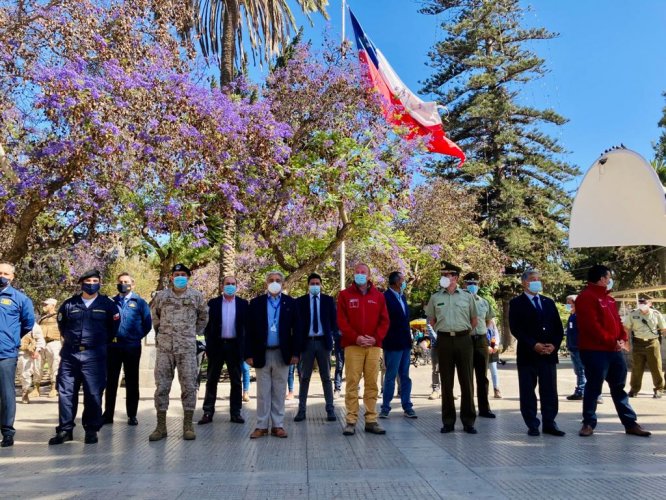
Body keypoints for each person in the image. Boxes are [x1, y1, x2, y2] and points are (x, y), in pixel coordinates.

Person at [576, 264, 651, 437]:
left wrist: (622, 338)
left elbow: (617, 321)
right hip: (595, 351)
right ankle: (588, 423)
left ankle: (630, 423)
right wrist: (612, 341)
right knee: (594, 387)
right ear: (602, 279)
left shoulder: (609, 299)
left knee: (619, 387)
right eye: (608, 277)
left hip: (614, 351)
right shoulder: (586, 297)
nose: (610, 281)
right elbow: (591, 326)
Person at [49, 269, 120, 445]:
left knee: (93, 393)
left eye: (95, 280)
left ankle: (91, 429)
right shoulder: (69, 304)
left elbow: (114, 328)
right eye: (88, 281)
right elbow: (62, 326)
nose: (91, 284)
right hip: (70, 355)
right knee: (65, 392)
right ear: (81, 283)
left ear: (100, 282)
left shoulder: (107, 304)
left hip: (95, 355)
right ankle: (65, 430)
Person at [149, 263, 209, 442]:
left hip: (187, 349)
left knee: (189, 386)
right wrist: (162, 334)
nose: (180, 277)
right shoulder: (162, 296)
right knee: (162, 387)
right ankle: (161, 427)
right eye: (177, 274)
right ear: (171, 277)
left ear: (188, 277)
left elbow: (204, 317)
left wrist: (192, 333)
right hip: (165, 348)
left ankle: (188, 425)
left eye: (183, 274)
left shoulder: (196, 296)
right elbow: (155, 316)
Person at [508, 269, 564, 437]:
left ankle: (549, 423)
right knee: (527, 391)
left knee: (549, 391)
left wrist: (554, 345)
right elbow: (516, 328)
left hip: (548, 354)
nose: (537, 282)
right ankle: (532, 424)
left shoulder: (548, 302)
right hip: (528, 354)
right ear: (524, 282)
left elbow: (558, 328)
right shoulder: (516, 303)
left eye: (538, 279)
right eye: (533, 279)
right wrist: (534, 345)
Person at [245, 271, 300, 439]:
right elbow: (248, 331)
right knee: (263, 392)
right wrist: (248, 354)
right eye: (271, 280)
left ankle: (278, 425)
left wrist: (296, 353)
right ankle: (261, 426)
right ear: (266, 284)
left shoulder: (291, 303)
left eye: (277, 280)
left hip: (282, 353)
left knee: (279, 390)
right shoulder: (255, 303)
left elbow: (297, 330)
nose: (274, 282)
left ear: (283, 284)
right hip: (262, 353)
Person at [425, 261, 478, 434]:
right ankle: (448, 421)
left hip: (464, 339)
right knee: (446, 382)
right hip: (444, 340)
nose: (444, 278)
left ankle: (468, 421)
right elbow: (431, 320)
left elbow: (474, 320)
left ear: (455, 277)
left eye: (447, 275)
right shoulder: (435, 297)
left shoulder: (467, 296)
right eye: (443, 275)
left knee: (467, 381)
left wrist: (464, 331)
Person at [338, 263, 389, 436]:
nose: (360, 274)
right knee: (352, 383)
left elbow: (385, 321)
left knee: (372, 383)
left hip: (374, 346)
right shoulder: (344, 295)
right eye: (357, 272)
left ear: (368, 276)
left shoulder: (379, 296)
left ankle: (371, 420)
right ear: (353, 274)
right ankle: (351, 420)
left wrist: (375, 338)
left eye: (363, 272)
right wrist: (356, 337)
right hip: (353, 346)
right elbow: (342, 321)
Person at [103, 272, 152, 426]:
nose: (123, 284)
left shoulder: (140, 302)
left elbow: (147, 324)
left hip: (131, 346)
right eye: (121, 281)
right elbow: (105, 323)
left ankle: (132, 415)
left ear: (133, 284)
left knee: (132, 381)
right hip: (113, 346)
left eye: (126, 281)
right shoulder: (111, 302)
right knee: (110, 381)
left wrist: (135, 337)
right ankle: (108, 414)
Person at [199, 275, 248, 425]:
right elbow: (207, 326)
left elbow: (246, 327)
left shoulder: (243, 304)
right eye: (227, 283)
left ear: (237, 286)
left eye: (233, 284)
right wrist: (208, 344)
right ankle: (208, 412)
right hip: (217, 346)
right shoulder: (213, 303)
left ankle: (236, 413)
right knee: (212, 380)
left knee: (236, 381)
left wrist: (244, 347)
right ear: (222, 286)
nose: (230, 286)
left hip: (235, 346)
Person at [0, 262, 35, 448]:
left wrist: (12, 337)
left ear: (12, 277)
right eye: (0, 272)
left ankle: (7, 432)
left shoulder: (20, 299)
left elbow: (28, 323)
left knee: (6, 394)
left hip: (5, 353)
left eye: (6, 273)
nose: (2, 275)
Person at [294, 273, 338, 422]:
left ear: (321, 284)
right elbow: (296, 325)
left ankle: (330, 410)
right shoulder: (300, 302)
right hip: (306, 343)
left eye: (317, 283)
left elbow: (334, 322)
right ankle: (301, 410)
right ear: (308, 285)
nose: (314, 285)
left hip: (323, 343)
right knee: (304, 377)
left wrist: (333, 338)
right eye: (312, 283)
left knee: (326, 377)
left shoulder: (328, 300)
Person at [379, 271, 416, 419]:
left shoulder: (403, 297)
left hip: (405, 343)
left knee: (405, 376)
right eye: (402, 280)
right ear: (396, 282)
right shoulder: (385, 298)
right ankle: (385, 407)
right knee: (390, 376)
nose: (404, 282)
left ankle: (407, 406)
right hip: (392, 344)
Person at [462, 272, 496, 419]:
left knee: (482, 376)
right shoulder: (460, 301)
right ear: (464, 285)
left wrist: (483, 333)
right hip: (466, 339)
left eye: (475, 283)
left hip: (481, 340)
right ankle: (469, 409)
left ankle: (484, 408)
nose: (472, 286)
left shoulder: (483, 302)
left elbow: (489, 320)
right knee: (467, 376)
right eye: (469, 283)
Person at [624, 297, 665, 398]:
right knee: (637, 367)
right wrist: (626, 342)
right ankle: (634, 389)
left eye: (644, 302)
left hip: (653, 343)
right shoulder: (633, 314)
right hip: (638, 343)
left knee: (656, 367)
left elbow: (663, 328)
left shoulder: (656, 314)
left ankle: (659, 389)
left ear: (650, 303)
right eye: (640, 302)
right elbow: (626, 328)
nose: (642, 304)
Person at [17, 323, 45, 403]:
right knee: (19, 374)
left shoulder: (33, 325)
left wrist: (37, 350)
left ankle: (25, 392)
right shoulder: (12, 322)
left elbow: (40, 339)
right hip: (14, 352)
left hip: (28, 353)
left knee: (27, 373)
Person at [565, 295, 585, 401]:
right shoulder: (572, 315)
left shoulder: (581, 315)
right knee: (578, 371)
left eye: (569, 302)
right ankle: (580, 390)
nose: (568, 305)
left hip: (579, 347)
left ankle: (581, 391)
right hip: (572, 347)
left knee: (581, 371)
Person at [39, 298, 61, 398]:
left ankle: (53, 388)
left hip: (54, 343)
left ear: (53, 305)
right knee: (38, 365)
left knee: (54, 366)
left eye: (46, 304)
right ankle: (36, 388)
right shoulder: (41, 318)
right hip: (41, 343)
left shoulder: (58, 316)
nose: (44, 306)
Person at [426, 323, 441, 400]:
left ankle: (448, 390)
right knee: (435, 369)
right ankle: (435, 390)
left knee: (448, 369)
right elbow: (429, 327)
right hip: (436, 345)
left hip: (448, 343)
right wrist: (439, 339)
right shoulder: (431, 312)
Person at [487, 328, 502, 399]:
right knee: (482, 372)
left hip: (492, 349)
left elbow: (495, 335)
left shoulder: (492, 323)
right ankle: (484, 389)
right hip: (482, 348)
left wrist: (496, 345)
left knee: (494, 371)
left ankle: (496, 389)